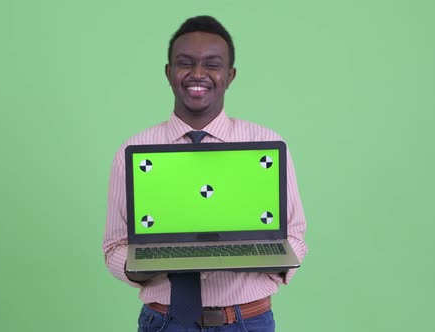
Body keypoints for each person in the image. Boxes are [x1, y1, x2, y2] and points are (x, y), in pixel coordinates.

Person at [103, 15, 308, 331]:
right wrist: (145, 265)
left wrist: (263, 258)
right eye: (185, 63)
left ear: (230, 75)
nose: (197, 74)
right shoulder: (134, 149)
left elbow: (295, 233)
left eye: (212, 64)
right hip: (164, 321)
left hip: (247, 320)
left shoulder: (265, 145)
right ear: (169, 73)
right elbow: (114, 247)